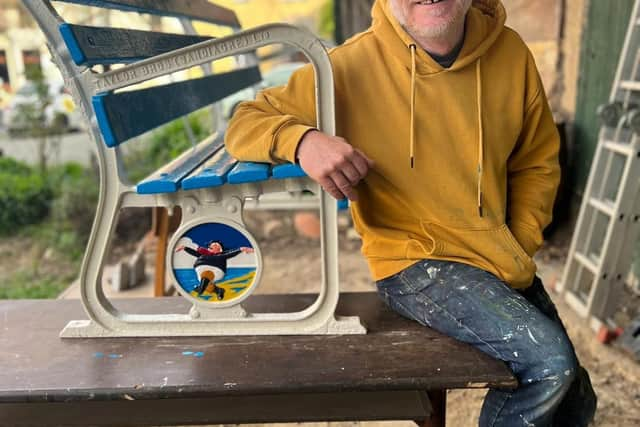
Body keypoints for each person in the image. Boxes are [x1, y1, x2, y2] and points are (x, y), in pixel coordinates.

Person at [225, 0, 597, 425]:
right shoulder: (349, 66)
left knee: (577, 401)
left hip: (496, 254)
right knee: (549, 367)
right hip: (414, 262)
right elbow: (244, 122)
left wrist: (520, 238)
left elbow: (536, 161)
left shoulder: (511, 53)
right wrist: (303, 140)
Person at [176, 241, 254, 299]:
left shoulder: (221, 255)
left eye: (216, 245)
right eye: (212, 245)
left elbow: (231, 253)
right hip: (200, 271)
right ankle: (218, 290)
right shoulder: (203, 254)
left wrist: (241, 249)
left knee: (206, 276)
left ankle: (200, 289)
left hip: (216, 270)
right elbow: (194, 253)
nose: (214, 245)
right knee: (207, 285)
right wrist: (184, 248)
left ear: (220, 249)